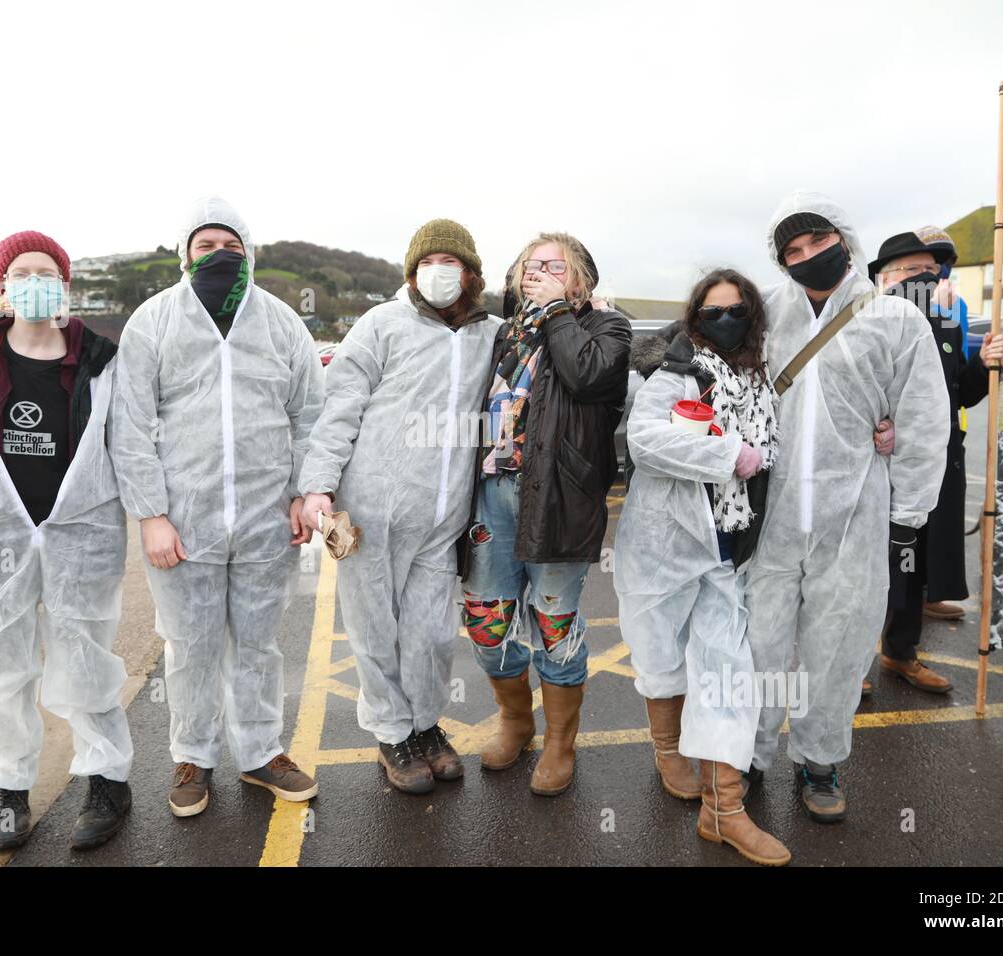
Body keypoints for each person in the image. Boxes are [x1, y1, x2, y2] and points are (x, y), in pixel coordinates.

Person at [109, 197, 324, 817]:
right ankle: (193, 758)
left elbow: (311, 415)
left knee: (259, 644)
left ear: (250, 255)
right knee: (190, 645)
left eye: (231, 246)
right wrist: (150, 513)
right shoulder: (153, 322)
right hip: (182, 520)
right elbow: (130, 425)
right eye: (206, 246)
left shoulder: (282, 322)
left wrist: (303, 493)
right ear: (184, 256)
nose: (219, 256)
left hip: (264, 519)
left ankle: (260, 754)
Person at [745, 191, 950, 823]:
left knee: (839, 647)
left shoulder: (895, 319)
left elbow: (920, 416)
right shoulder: (765, 315)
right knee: (758, 645)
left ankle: (821, 759)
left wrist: (908, 513)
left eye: (818, 242)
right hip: (769, 517)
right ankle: (746, 757)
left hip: (854, 510)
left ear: (844, 238)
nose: (808, 257)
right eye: (793, 252)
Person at [0, 230, 133, 851]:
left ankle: (106, 782)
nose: (34, 281)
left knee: (88, 657)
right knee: (1, 668)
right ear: (2, 287)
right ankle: (9, 791)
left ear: (64, 284)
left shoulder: (101, 360)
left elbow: (126, 445)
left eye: (46, 271)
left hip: (80, 532)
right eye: (21, 272)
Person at [298, 219, 501, 795]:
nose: (440, 272)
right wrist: (320, 488)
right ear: (413, 273)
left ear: (470, 273)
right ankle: (392, 734)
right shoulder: (381, 325)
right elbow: (338, 412)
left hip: (444, 516)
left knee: (433, 632)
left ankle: (424, 724)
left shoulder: (489, 333)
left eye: (451, 262)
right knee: (373, 627)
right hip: (373, 507)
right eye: (429, 262)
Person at [617, 268, 788, 865]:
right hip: (665, 540)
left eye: (735, 309)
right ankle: (669, 753)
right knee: (659, 655)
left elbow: (789, 438)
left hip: (728, 547)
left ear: (753, 314)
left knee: (725, 671)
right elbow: (645, 442)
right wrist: (728, 454)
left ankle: (725, 811)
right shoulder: (676, 372)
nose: (724, 320)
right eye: (711, 312)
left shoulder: (762, 376)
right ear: (695, 319)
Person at [458, 232, 631, 797]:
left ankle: (560, 740)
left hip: (560, 497)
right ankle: (515, 720)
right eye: (530, 267)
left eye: (554, 267)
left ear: (579, 278)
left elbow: (587, 376)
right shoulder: (504, 332)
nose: (537, 274)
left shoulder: (607, 327)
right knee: (487, 618)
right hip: (492, 493)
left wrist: (558, 310)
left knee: (553, 624)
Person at [866, 228, 1003, 693]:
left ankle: (900, 653)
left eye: (932, 271)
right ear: (885, 278)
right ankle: (846, 666)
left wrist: (982, 365)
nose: (927, 278)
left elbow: (958, 394)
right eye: (914, 271)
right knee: (868, 568)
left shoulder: (944, 325)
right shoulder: (863, 325)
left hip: (939, 466)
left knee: (915, 566)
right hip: (879, 469)